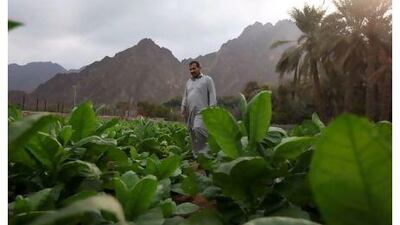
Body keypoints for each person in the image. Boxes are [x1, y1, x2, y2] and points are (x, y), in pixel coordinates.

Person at [181, 61, 217, 158]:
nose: (192, 71)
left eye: (194, 68)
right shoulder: (188, 82)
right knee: (192, 132)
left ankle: (205, 154)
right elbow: (185, 96)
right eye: (190, 69)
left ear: (199, 68)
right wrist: (183, 107)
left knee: (198, 128)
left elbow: (212, 94)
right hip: (190, 111)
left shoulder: (207, 79)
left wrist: (212, 109)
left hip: (202, 111)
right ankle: (196, 155)